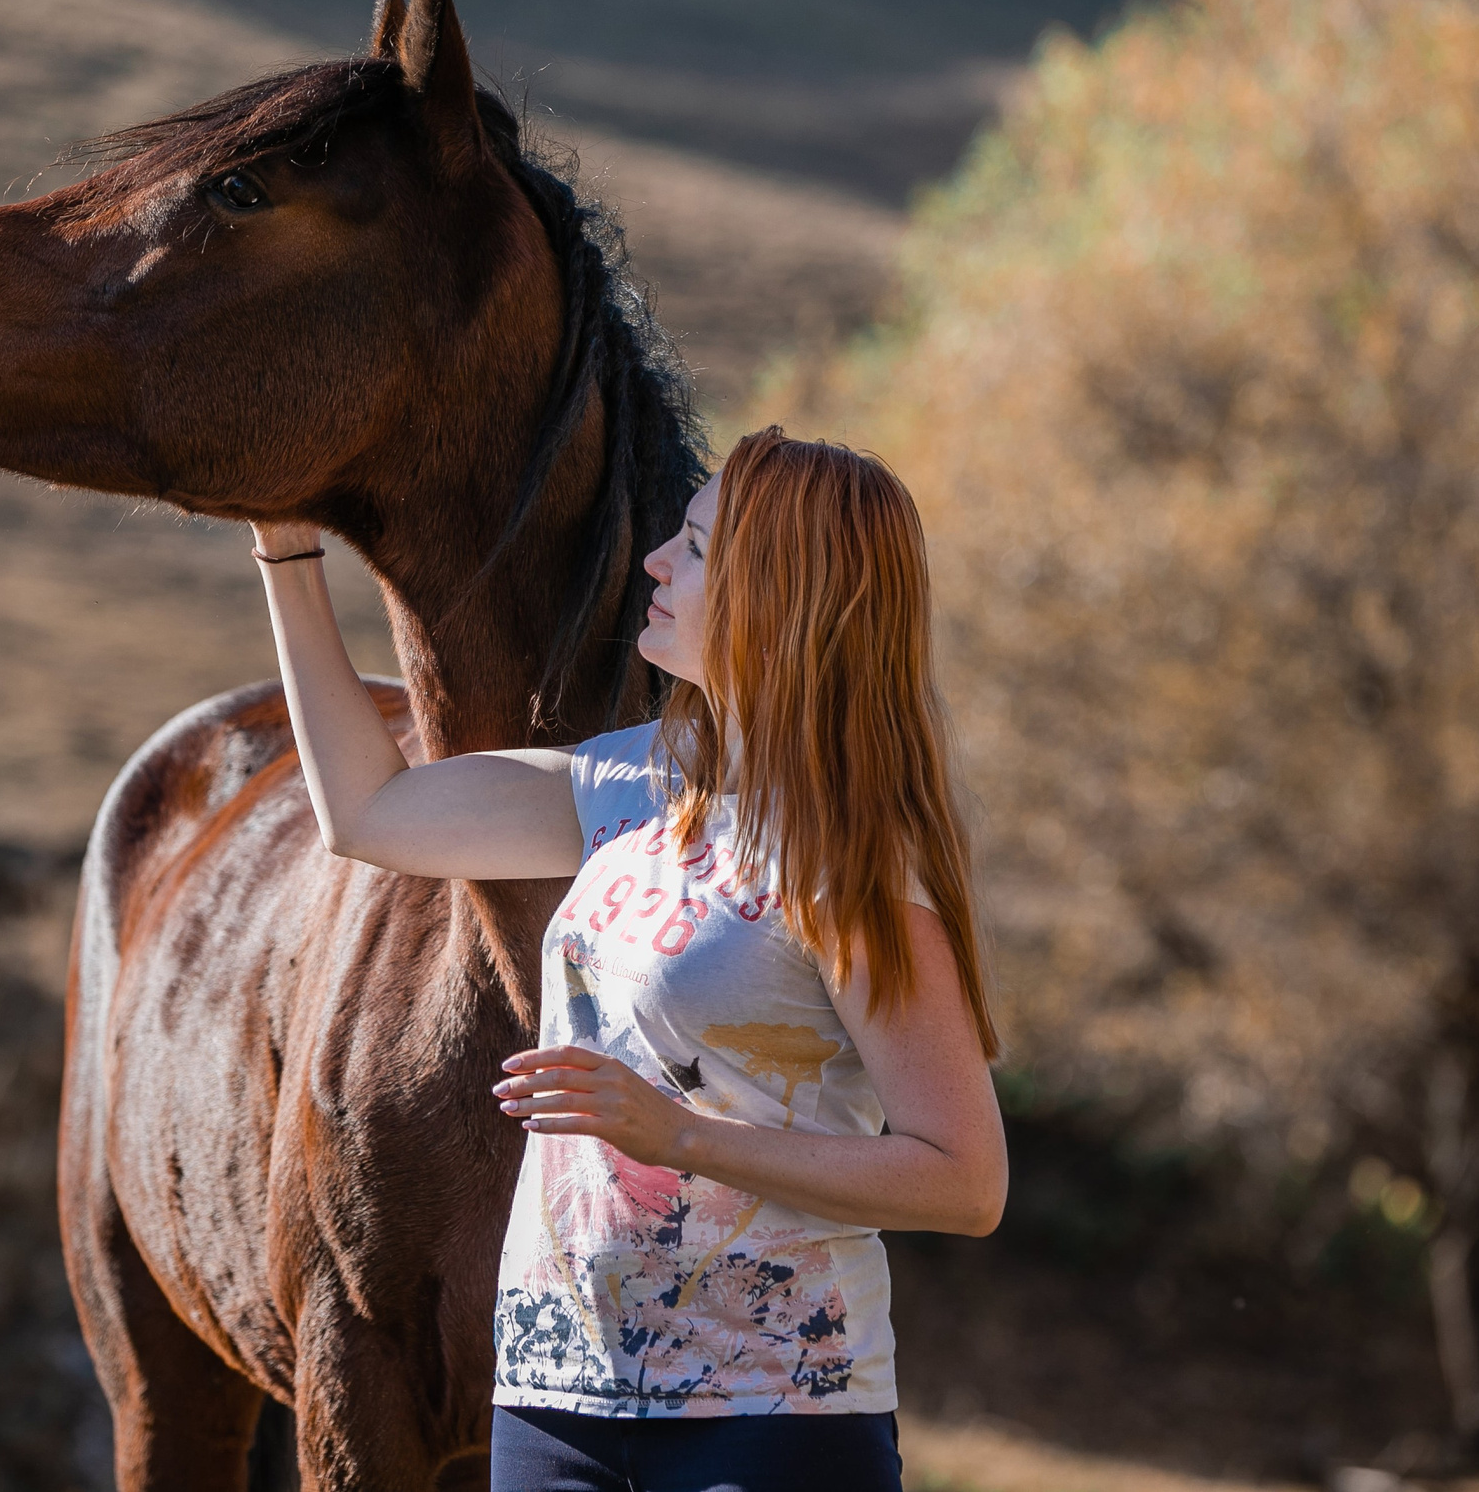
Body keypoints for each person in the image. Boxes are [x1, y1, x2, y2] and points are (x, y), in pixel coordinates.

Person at [249, 427, 1006, 1492]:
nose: (655, 561)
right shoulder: (631, 786)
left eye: (693, 549)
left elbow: (964, 1180)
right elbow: (371, 812)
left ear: (781, 594)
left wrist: (682, 1135)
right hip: (559, 1393)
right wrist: (285, 557)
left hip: (766, 1408)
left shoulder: (850, 854)